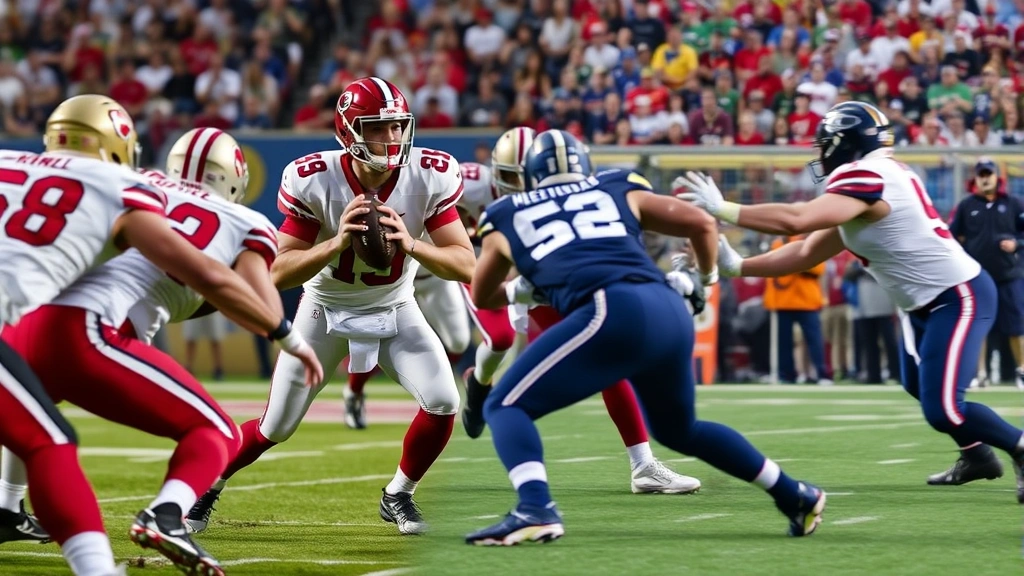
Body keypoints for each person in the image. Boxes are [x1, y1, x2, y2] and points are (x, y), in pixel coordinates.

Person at [0, 97, 320, 576]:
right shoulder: (244, 220)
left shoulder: (132, 182)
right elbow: (255, 302)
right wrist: (284, 333)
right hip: (90, 333)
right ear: (235, 179)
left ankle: (7, 506)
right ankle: (167, 513)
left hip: (21, 326)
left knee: (42, 429)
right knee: (217, 431)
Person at [465, 130, 825, 545]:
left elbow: (482, 293)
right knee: (679, 429)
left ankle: (534, 508)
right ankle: (794, 494)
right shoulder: (617, 184)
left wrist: (520, 288)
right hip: (668, 307)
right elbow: (701, 223)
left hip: (609, 308)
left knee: (504, 405)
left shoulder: (506, 211)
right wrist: (706, 280)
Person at [676, 100, 1024, 506]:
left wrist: (725, 210)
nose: (820, 153)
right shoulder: (871, 181)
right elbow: (806, 251)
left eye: (825, 144)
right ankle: (976, 455)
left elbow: (796, 219)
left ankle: (1017, 446)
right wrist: (737, 266)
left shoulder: (869, 174)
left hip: (956, 295)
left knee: (945, 408)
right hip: (921, 303)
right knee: (917, 384)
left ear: (845, 144)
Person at [187, 77, 475, 536]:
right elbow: (277, 273)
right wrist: (336, 242)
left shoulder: (430, 173)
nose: (393, 138)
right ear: (347, 132)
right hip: (325, 310)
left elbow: (466, 264)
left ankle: (398, 494)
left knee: (443, 401)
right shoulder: (315, 178)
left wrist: (412, 246)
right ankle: (206, 485)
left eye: (398, 126)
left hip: (396, 306)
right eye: (378, 129)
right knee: (275, 427)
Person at [459, 127, 701, 494]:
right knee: (501, 338)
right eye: (510, 178)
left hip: (540, 276)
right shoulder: (466, 183)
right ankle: (479, 385)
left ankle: (643, 464)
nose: (520, 186)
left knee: (607, 356)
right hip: (475, 269)